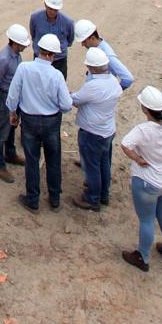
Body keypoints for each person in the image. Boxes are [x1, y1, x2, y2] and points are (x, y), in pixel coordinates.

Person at [119, 86, 162, 271]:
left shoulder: (142, 130)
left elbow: (125, 145)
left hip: (147, 181)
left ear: (144, 108)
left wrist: (138, 159)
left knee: (146, 220)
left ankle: (143, 256)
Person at [6, 32, 73, 212]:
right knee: (53, 159)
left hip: (29, 120)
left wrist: (13, 112)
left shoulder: (24, 69)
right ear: (53, 55)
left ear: (38, 50)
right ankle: (54, 199)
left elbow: (13, 95)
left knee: (32, 160)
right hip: (51, 122)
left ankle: (33, 199)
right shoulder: (57, 75)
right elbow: (67, 105)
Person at [70, 47, 123, 211]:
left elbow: (77, 101)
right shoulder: (114, 82)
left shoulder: (93, 86)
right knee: (104, 163)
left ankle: (92, 198)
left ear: (91, 67)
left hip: (92, 132)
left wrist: (69, 94)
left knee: (91, 166)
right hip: (107, 130)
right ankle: (103, 195)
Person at [0, 24, 29, 182]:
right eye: (22, 44)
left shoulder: (15, 54)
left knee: (12, 125)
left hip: (14, 94)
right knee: (3, 130)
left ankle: (10, 154)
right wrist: (1, 94)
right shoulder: (4, 59)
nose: (25, 47)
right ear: (14, 43)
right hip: (5, 95)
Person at [73, 19, 134, 89]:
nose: (82, 44)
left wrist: (115, 92)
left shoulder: (107, 55)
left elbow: (128, 78)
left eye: (84, 41)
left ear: (92, 38)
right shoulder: (97, 46)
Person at [29, 0, 75, 77]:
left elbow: (70, 40)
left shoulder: (68, 22)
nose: (52, 12)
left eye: (55, 9)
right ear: (45, 4)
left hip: (59, 60)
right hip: (40, 58)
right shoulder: (35, 17)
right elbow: (33, 34)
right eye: (50, 8)